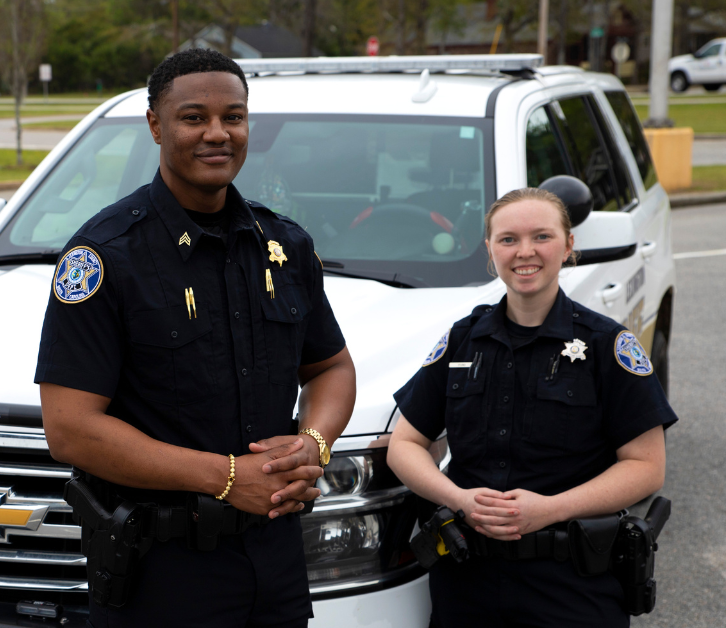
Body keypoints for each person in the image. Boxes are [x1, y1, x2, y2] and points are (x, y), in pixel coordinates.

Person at [35, 48, 356, 626]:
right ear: (156, 125)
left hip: (275, 557)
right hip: (161, 572)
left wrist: (313, 443)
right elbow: (70, 428)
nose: (218, 133)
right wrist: (228, 478)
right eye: (193, 117)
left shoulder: (284, 247)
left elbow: (331, 368)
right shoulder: (105, 255)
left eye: (233, 117)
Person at [387, 187, 677, 627]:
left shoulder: (606, 345)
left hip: (572, 585)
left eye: (541, 237)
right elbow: (405, 444)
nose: (525, 252)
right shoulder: (464, 339)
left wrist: (551, 508)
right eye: (508, 240)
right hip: (467, 582)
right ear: (490, 249)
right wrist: (458, 498)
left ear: (568, 246)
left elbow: (645, 466)